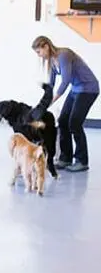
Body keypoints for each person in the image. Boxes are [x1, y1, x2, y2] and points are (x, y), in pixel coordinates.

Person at [32, 36, 99, 172]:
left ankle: (82, 161)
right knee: (63, 121)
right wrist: (43, 103)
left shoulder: (64, 55)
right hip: (76, 89)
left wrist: (52, 101)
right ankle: (65, 158)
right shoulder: (51, 61)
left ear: (46, 46)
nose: (39, 56)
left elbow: (65, 81)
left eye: (39, 52)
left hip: (88, 88)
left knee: (74, 123)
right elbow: (51, 85)